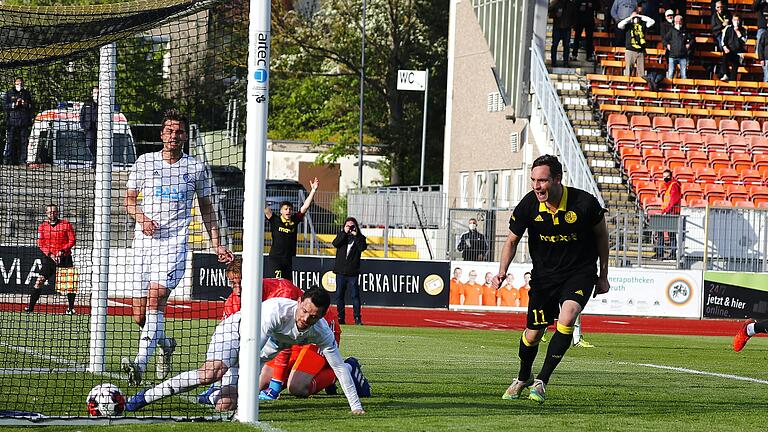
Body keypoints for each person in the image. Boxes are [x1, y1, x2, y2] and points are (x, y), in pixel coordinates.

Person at [122, 109, 234, 386]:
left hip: (174, 245)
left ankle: (139, 364)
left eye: (179, 131)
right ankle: (165, 343)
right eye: (170, 130)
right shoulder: (145, 162)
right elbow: (129, 200)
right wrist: (142, 219)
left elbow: (207, 211)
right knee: (139, 316)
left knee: (156, 297)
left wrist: (217, 244)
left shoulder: (195, 168)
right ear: (162, 134)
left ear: (185, 135)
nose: (174, 135)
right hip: (143, 244)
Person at [125, 286, 369, 414]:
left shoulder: (321, 332)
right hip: (235, 333)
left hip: (255, 353)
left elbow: (339, 367)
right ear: (298, 303)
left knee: (226, 405)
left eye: (313, 316)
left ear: (321, 317)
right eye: (304, 311)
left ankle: (213, 395)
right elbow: (250, 354)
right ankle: (144, 397)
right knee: (210, 374)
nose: (305, 318)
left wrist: (356, 407)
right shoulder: (275, 312)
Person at [492, 155, 609, 403]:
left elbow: (602, 237)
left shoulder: (584, 203)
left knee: (568, 316)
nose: (536, 186)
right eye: (533, 180)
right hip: (544, 278)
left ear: (557, 179)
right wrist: (502, 271)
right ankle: (523, 376)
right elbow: (511, 240)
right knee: (533, 334)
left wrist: (604, 275)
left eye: (542, 180)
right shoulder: (528, 205)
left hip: (580, 273)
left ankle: (542, 381)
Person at [257, 304, 344, 401]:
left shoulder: (281, 295)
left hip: (316, 330)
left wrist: (275, 386)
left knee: (297, 387)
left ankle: (346, 368)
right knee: (261, 384)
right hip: (297, 332)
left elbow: (284, 345)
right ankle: (322, 375)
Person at [264, 178, 319, 281]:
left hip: (288, 259)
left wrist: (313, 190)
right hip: (276, 259)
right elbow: (265, 206)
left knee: (288, 285)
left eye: (290, 209)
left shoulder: (295, 220)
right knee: (278, 283)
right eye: (285, 209)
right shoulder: (275, 219)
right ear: (281, 211)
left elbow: (305, 206)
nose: (288, 211)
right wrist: (260, 187)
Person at [27, 204, 76, 314]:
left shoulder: (66, 224)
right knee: (39, 281)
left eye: (54, 212)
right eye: (49, 212)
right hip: (50, 259)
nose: (52, 214)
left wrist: (62, 251)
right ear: (46, 213)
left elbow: (72, 240)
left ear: (57, 212)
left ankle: (71, 308)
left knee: (70, 284)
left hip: (65, 258)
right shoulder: (42, 227)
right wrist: (50, 254)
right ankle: (30, 307)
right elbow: (40, 243)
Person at [332, 216, 367, 325]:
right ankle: (341, 318)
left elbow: (362, 247)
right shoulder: (342, 236)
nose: (350, 228)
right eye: (348, 226)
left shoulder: (360, 238)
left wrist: (356, 236)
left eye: (352, 226)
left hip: (353, 273)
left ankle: (357, 318)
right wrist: (344, 232)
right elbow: (335, 243)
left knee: (355, 296)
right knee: (339, 296)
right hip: (340, 272)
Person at [3, 77, 33, 166]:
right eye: (18, 83)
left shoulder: (26, 93)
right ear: (14, 83)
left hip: (23, 120)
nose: (19, 84)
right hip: (12, 121)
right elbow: (5, 106)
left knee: (23, 141)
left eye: (21, 83)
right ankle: (7, 159)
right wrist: (14, 104)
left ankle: (23, 160)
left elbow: (31, 106)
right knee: (10, 141)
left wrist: (25, 104)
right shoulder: (9, 93)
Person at [654, 169, 681, 260]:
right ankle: (661, 253)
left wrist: (666, 210)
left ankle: (671, 254)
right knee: (663, 232)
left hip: (671, 213)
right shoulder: (669, 186)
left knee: (671, 234)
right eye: (664, 177)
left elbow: (673, 201)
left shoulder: (674, 186)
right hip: (668, 212)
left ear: (671, 176)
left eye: (667, 177)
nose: (665, 178)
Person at [618, 11, 655, 77]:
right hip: (630, 50)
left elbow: (652, 22)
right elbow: (619, 25)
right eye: (634, 17)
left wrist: (640, 16)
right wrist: (630, 18)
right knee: (628, 71)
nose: (635, 18)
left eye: (636, 17)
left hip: (640, 51)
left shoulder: (643, 24)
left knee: (641, 73)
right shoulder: (628, 25)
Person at [720, 15, 747, 81]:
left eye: (737, 20)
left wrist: (738, 32)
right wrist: (725, 47)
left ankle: (733, 81)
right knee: (725, 56)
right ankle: (725, 74)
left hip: (738, 52)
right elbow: (723, 40)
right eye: (735, 20)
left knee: (735, 66)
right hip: (729, 50)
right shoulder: (728, 28)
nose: (736, 22)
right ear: (732, 20)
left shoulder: (743, 29)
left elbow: (744, 40)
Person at [549, 0, 575, 67]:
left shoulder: (571, 4)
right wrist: (555, 14)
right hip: (557, 27)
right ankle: (553, 62)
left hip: (567, 28)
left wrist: (572, 24)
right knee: (555, 45)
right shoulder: (555, 3)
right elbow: (549, 13)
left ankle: (565, 62)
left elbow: (574, 15)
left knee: (566, 46)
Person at [79, 86, 98, 166]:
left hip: (99, 128)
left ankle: (96, 161)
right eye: (94, 92)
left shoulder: (103, 104)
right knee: (90, 144)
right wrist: (83, 126)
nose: (96, 94)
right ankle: (95, 158)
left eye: (97, 93)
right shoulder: (87, 103)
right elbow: (82, 115)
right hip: (89, 128)